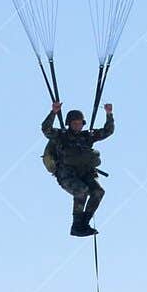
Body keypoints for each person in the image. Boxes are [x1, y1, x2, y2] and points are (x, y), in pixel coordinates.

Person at [41, 100, 114, 237]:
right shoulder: (61, 136)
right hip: (67, 175)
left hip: (85, 174)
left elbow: (108, 131)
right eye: (75, 123)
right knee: (81, 191)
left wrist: (109, 114)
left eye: (80, 123)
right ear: (69, 124)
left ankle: (83, 223)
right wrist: (54, 112)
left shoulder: (87, 137)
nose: (78, 125)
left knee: (98, 192)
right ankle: (76, 226)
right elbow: (46, 129)